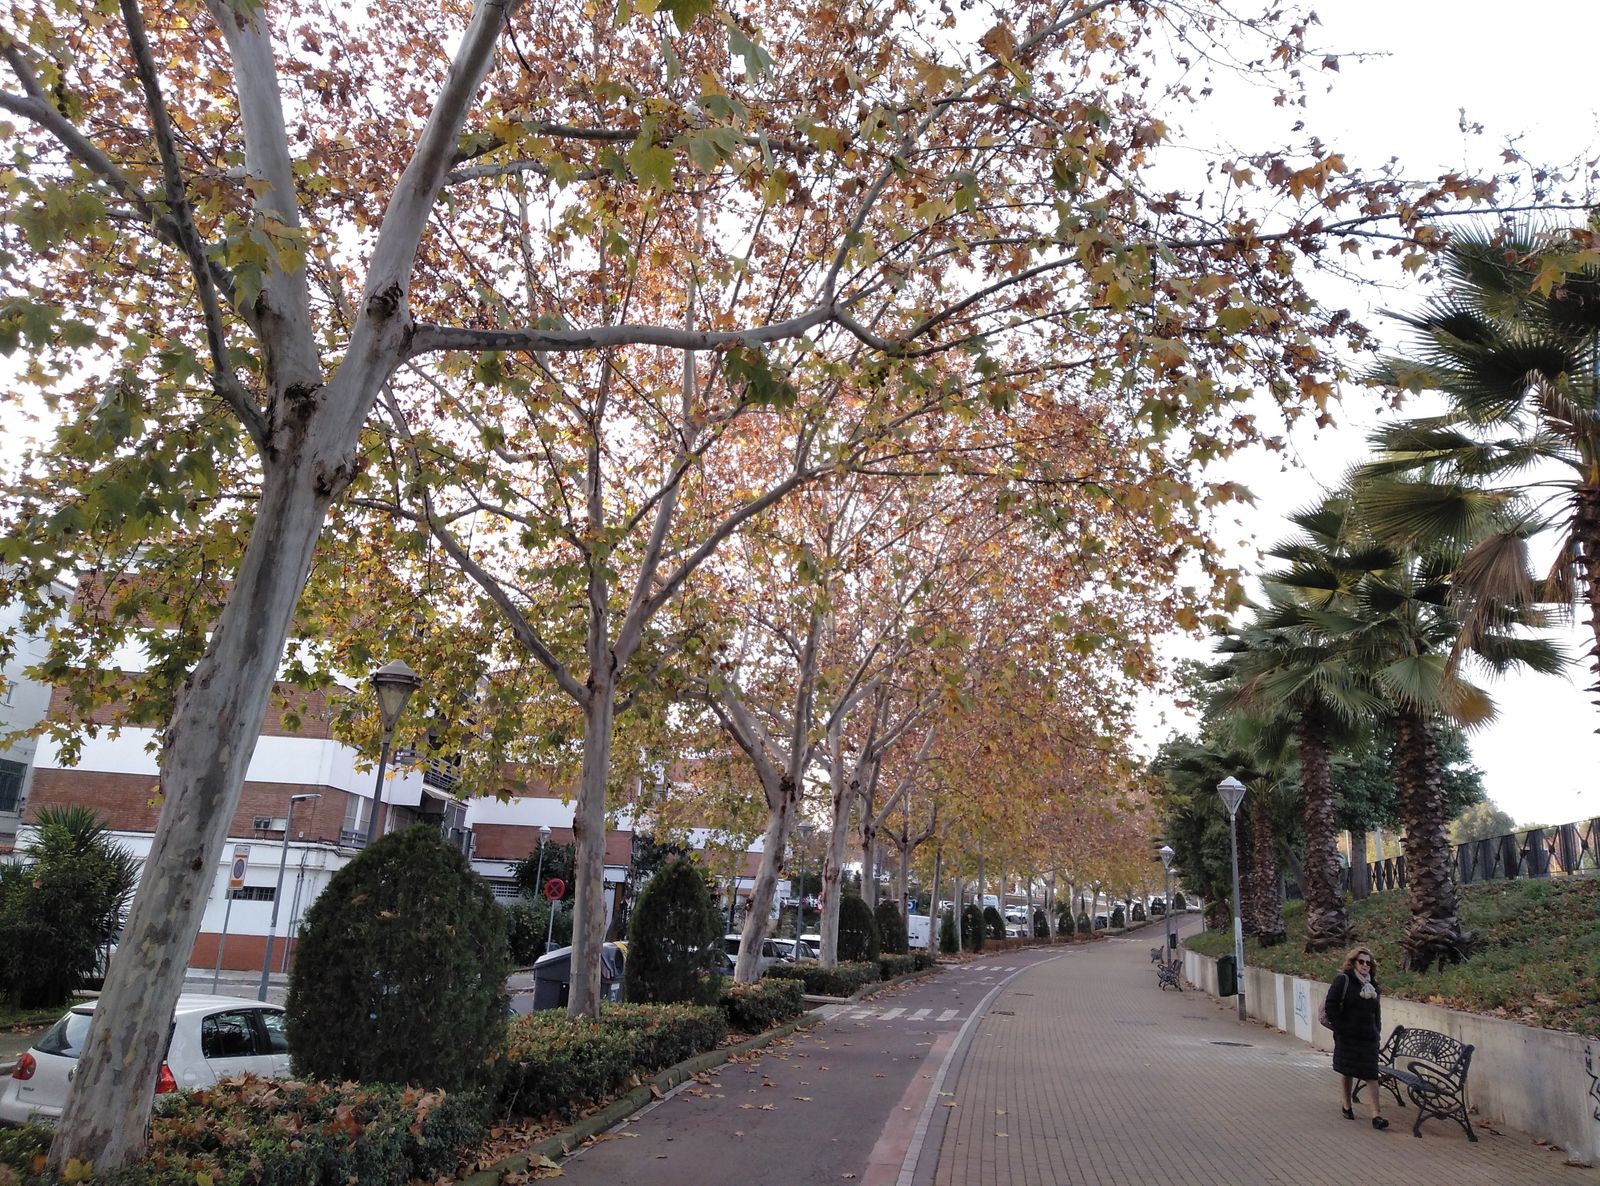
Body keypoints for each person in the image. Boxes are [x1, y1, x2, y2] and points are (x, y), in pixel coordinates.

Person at [1326, 945, 1388, 1129]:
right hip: (1348, 1035)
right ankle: (1347, 1105)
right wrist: (1341, 1028)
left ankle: (1376, 1115)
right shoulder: (1343, 981)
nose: (1365, 965)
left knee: (1371, 1074)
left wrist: (1377, 1031)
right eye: (1361, 961)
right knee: (1347, 1070)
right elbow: (1331, 1006)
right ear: (1353, 963)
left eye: (1368, 963)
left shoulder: (1373, 986)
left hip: (1368, 1038)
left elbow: (1376, 1011)